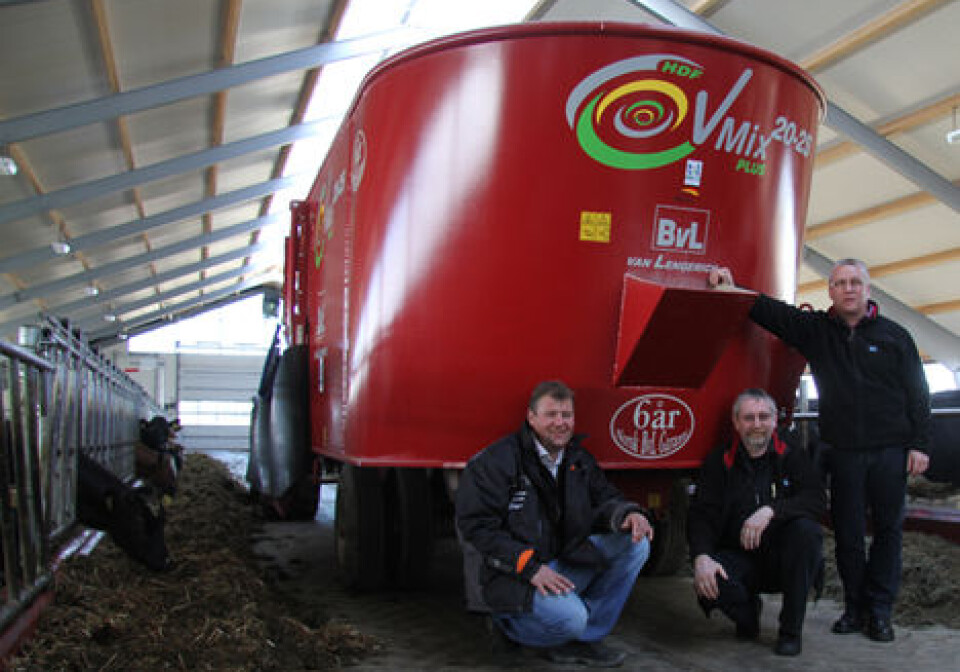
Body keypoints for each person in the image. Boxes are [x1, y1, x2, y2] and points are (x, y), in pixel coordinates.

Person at [708, 259, 931, 643]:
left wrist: (920, 445)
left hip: (890, 451)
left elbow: (918, 393)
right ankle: (854, 608)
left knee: (889, 532)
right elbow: (772, 313)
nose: (849, 289)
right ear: (830, 291)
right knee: (847, 533)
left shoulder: (896, 336)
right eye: (840, 283)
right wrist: (733, 288)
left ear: (868, 289)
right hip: (843, 452)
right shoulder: (817, 332)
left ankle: (879, 612)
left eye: (856, 282)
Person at [456, 380, 653, 667]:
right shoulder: (495, 463)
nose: (560, 423)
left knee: (635, 545)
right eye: (551, 415)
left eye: (566, 415)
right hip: (517, 576)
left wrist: (628, 514)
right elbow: (478, 529)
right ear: (531, 417)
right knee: (571, 618)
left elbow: (603, 498)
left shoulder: (578, 458)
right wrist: (530, 567)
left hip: (563, 562)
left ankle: (582, 639)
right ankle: (509, 627)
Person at [688, 388, 826, 656]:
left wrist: (771, 511)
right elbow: (702, 514)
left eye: (764, 417)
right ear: (736, 422)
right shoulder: (719, 461)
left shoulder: (792, 454)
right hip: (738, 556)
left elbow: (816, 499)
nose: (757, 425)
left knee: (807, 533)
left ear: (775, 421)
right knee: (709, 584)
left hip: (782, 557)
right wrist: (701, 557)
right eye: (749, 418)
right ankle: (747, 614)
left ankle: (790, 631)